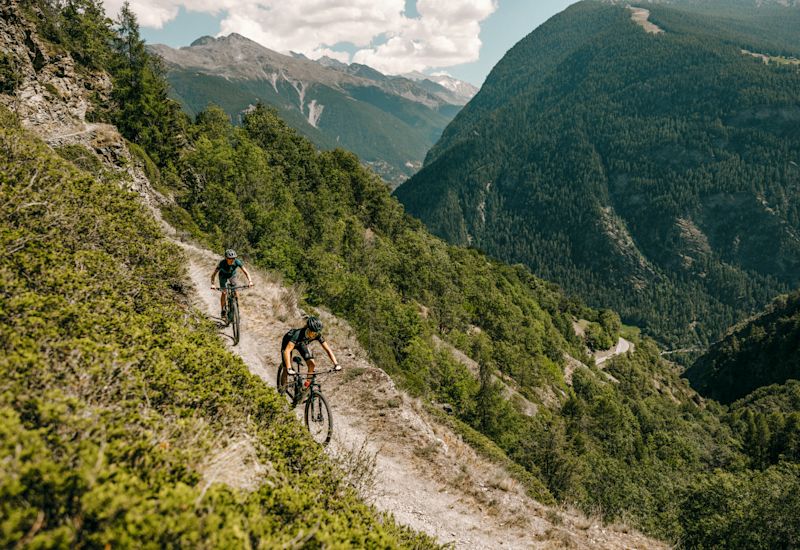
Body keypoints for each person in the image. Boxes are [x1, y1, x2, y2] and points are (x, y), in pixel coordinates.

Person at [281, 315, 341, 392]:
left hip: (301, 344)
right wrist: (289, 368)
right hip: (288, 343)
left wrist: (336, 364)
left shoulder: (317, 334)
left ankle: (306, 386)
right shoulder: (298, 334)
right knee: (286, 368)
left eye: (316, 333)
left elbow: (328, 350)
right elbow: (287, 351)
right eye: (313, 332)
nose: (314, 335)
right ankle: (282, 390)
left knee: (312, 364)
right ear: (308, 329)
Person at [210, 249, 253, 318]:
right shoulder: (222, 263)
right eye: (230, 259)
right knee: (224, 292)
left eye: (233, 258)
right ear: (226, 258)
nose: (232, 260)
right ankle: (223, 310)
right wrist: (213, 284)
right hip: (223, 276)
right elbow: (213, 274)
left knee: (235, 291)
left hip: (232, 275)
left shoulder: (237, 262)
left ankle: (236, 307)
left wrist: (250, 281)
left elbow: (245, 272)